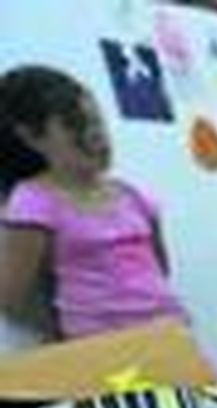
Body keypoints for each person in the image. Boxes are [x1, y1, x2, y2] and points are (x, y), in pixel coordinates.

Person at [0, 65, 189, 340]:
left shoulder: (134, 197)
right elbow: (11, 297)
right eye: (76, 126)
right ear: (31, 136)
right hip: (103, 349)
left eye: (97, 122)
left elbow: (160, 272)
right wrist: (67, 340)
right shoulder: (34, 202)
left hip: (169, 332)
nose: (96, 135)